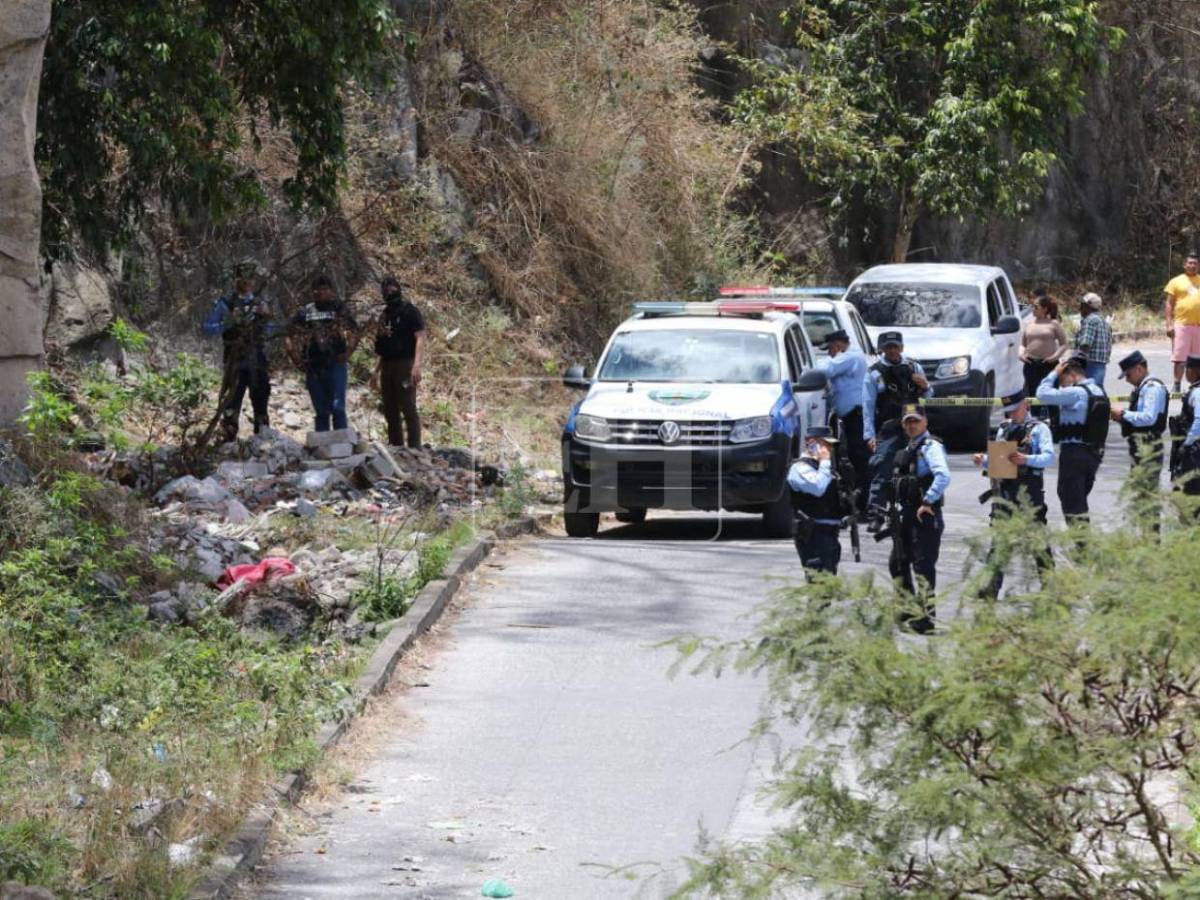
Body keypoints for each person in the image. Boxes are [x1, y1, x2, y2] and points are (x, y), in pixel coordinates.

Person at [972, 391, 1055, 599]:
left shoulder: (1039, 429)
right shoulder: (1004, 429)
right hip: (1005, 491)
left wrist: (1026, 459)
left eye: (1015, 409)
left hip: (1029, 492)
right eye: (1008, 410)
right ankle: (991, 589)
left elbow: (1048, 457)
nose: (1011, 413)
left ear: (1026, 405)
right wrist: (983, 460)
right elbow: (999, 461)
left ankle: (1052, 587)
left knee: (1037, 541)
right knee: (999, 541)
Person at [880, 406, 950, 634]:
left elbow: (943, 476)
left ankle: (927, 618)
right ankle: (908, 609)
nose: (911, 425)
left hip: (925, 516)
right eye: (908, 422)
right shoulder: (908, 448)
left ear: (925, 422)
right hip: (906, 515)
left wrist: (928, 501)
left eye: (915, 421)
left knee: (923, 568)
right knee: (897, 563)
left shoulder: (931, 447)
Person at [863, 332, 934, 526]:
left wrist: (926, 386)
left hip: (915, 426)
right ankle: (876, 514)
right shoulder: (874, 373)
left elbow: (928, 397)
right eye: (888, 347)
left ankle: (925, 507)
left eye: (895, 346)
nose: (892, 351)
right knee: (882, 465)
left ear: (901, 347)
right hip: (890, 427)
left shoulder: (914, 367)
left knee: (925, 465)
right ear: (882, 350)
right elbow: (868, 406)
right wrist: (869, 435)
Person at [1036, 353, 1110, 526]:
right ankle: (1082, 546)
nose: (1061, 385)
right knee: (1078, 502)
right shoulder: (1098, 391)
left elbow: (1042, 394)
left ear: (1072, 374)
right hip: (1093, 454)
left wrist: (1053, 373)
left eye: (1063, 379)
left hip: (1074, 454)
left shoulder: (1076, 392)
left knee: (1072, 504)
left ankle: (1082, 549)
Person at [202, 259, 273, 441]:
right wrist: (227, 323)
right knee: (231, 402)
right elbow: (208, 327)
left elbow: (271, 330)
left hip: (256, 357)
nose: (246, 283)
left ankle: (262, 441)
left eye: (249, 279)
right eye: (242, 279)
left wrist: (265, 317)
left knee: (261, 399)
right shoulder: (225, 303)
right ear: (236, 281)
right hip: (234, 357)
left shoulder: (260, 303)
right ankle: (228, 439)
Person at [289, 274, 361, 432]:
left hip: (335, 362)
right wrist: (295, 357)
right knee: (321, 411)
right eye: (316, 290)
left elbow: (354, 331)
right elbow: (289, 334)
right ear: (312, 292)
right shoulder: (305, 311)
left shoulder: (339, 308)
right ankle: (322, 448)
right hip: (313, 365)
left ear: (331, 291)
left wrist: (348, 352)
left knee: (338, 407)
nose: (320, 293)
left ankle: (342, 446)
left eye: (324, 289)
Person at [1110, 349, 1168, 530]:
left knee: (1148, 497)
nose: (1127, 379)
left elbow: (1148, 418)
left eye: (1128, 375)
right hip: (1140, 446)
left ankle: (1151, 540)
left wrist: (1124, 414)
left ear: (1139, 369)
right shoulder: (1142, 388)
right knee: (1142, 495)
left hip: (1149, 447)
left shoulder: (1152, 388)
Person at [787, 426, 848, 576]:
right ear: (811, 442)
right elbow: (818, 487)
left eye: (830, 445)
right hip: (813, 536)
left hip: (830, 535)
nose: (829, 449)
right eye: (825, 444)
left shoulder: (824, 469)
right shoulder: (799, 468)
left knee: (828, 587)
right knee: (818, 586)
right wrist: (825, 462)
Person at [372, 276, 426, 448]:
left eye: (392, 288)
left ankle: (414, 447)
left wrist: (417, 365)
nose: (389, 291)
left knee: (408, 406)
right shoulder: (384, 315)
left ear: (399, 289)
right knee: (390, 408)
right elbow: (381, 348)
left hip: (405, 364)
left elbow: (420, 337)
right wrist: (375, 371)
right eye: (385, 289)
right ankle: (396, 446)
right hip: (387, 365)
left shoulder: (410, 311)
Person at [823, 329, 869, 509]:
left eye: (830, 349)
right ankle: (861, 499)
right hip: (850, 416)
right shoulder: (849, 358)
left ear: (839, 345)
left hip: (856, 415)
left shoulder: (850, 357)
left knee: (861, 458)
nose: (829, 353)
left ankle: (866, 502)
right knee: (854, 456)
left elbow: (826, 369)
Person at [1019, 293, 1068, 406]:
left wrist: (1055, 356)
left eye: (1036, 307)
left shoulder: (1054, 324)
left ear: (1045, 309)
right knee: (1032, 394)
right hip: (1031, 363)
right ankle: (1034, 419)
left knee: (1051, 393)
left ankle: (1053, 420)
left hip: (1049, 364)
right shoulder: (1029, 324)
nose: (1033, 309)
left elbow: (1064, 344)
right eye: (1032, 306)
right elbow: (1022, 344)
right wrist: (1021, 354)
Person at [1163, 252, 1200, 391]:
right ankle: (1177, 384)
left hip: (1198, 326)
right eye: (1190, 263)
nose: (1192, 265)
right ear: (1185, 265)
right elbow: (1169, 304)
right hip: (1181, 326)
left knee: (1197, 359)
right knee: (1180, 358)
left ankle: (1196, 385)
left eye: (1195, 263)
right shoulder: (1176, 281)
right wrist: (1169, 324)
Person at [1170, 355, 1200, 506]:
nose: (1186, 373)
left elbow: (1199, 421)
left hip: (1195, 451)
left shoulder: (1197, 393)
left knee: (1190, 497)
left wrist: (1187, 444)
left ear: (1195, 371)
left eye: (1187, 369)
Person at [1072, 292, 1112, 385]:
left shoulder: (1089, 320)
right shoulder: (1104, 321)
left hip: (1089, 363)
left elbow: (1085, 344)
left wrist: (1075, 361)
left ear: (1087, 306)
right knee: (1096, 391)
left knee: (1087, 392)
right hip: (1101, 364)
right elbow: (1109, 346)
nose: (1080, 308)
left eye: (1082, 305)